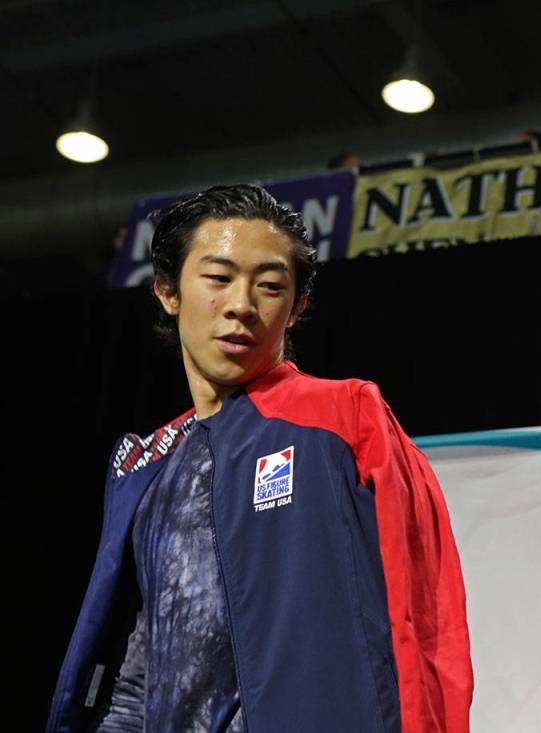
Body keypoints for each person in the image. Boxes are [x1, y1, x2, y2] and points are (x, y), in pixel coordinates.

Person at [46, 184, 474, 732]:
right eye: (219, 279)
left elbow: (425, 613)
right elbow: (137, 665)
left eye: (270, 286)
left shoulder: (343, 416)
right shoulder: (145, 465)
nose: (242, 305)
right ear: (167, 291)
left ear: (297, 308)